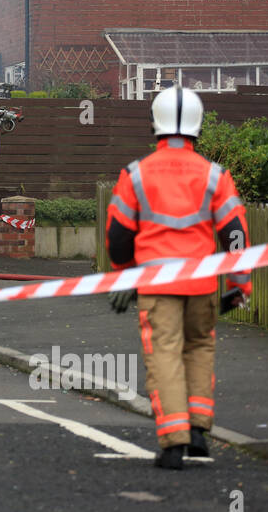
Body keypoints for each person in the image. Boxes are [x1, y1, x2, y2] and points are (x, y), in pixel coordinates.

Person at [105, 86, 251, 470]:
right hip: (202, 284)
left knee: (165, 355)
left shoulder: (135, 174)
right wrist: (238, 286)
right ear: (197, 125)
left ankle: (173, 444)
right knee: (200, 349)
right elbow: (235, 233)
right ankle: (199, 431)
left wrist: (125, 277)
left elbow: (118, 236)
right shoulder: (215, 175)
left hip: (157, 286)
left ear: (155, 123)